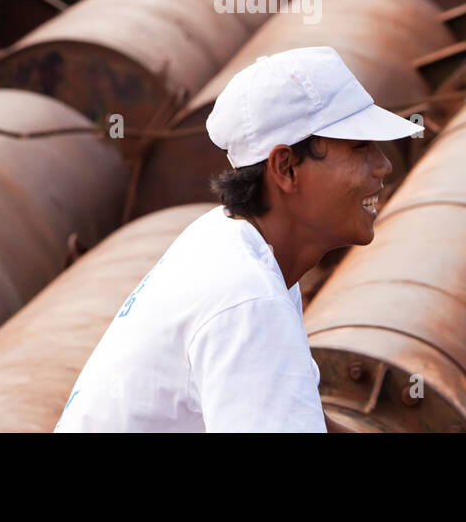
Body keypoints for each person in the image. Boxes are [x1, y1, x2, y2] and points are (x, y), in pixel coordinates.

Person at [55, 46, 422, 433]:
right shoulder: (248, 297)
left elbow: (303, 416)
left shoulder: (236, 242)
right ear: (286, 168)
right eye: (360, 147)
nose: (384, 166)